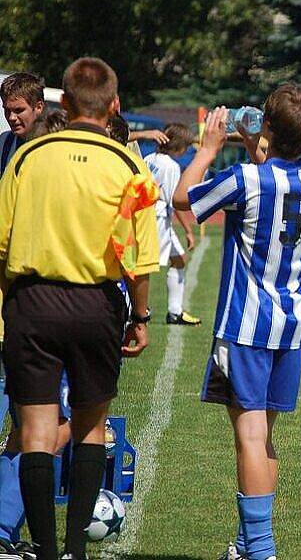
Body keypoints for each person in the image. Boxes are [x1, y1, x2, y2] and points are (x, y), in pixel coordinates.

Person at [0, 57, 158, 560]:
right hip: (97, 304)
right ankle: (75, 550)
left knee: (35, 432)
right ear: (113, 106)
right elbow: (139, 257)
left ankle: (43, 549)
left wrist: (8, 306)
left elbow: (1, 244)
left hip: (32, 300)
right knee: (91, 425)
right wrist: (141, 317)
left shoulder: (27, 157)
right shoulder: (129, 164)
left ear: (62, 102)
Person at [172, 84, 301, 560]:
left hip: (246, 324)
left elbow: (184, 199)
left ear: (270, 129)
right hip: (291, 323)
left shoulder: (245, 178)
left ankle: (261, 549)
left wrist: (208, 149)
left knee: (250, 436)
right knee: (266, 437)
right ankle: (246, 546)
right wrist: (255, 141)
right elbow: (277, 175)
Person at [0, 106, 72, 560]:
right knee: (53, 429)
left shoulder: (17, 173)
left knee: (23, 428)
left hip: (18, 312)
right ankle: (6, 524)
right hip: (45, 315)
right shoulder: (51, 183)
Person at [0, 73, 46, 432]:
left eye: (19, 110)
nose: (13, 117)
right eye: (7, 111)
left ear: (39, 107)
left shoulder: (49, 149)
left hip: (35, 282)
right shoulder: (3, 146)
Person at [143, 123, 201, 325]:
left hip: (148, 215)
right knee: (145, 266)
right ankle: (137, 308)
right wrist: (188, 231)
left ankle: (175, 312)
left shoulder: (149, 158)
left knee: (180, 259)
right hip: (158, 218)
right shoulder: (172, 167)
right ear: (178, 146)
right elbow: (176, 202)